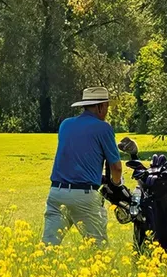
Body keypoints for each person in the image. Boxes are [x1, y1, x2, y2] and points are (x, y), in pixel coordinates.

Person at [43, 87, 124, 246]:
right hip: (84, 195)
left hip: (56, 193)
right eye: (106, 106)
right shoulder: (103, 128)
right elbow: (116, 167)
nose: (107, 110)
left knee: (47, 248)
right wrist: (116, 185)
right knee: (98, 250)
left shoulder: (65, 125)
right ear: (100, 106)